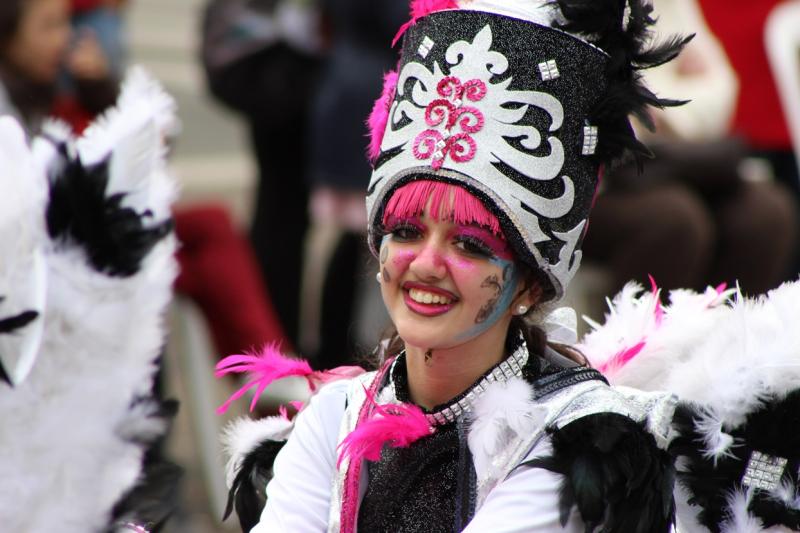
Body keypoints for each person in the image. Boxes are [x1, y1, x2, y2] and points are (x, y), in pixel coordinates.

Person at [217, 0, 690, 531]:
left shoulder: (576, 446)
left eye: (469, 244)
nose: (425, 263)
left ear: (529, 286)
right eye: (407, 231)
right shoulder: (334, 417)